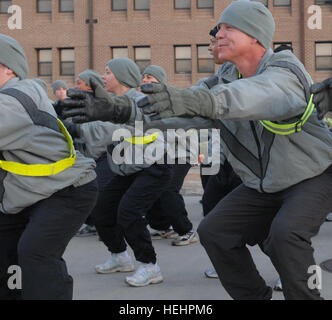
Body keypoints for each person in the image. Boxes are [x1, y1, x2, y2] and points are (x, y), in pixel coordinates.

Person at [60, 2, 332, 299]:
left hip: (312, 176)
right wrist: (117, 109)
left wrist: (196, 102)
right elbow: (180, 110)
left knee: (285, 235)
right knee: (215, 231)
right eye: (220, 28)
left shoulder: (285, 70)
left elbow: (256, 95)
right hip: (264, 184)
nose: (219, 34)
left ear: (255, 36)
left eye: (230, 27)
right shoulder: (224, 78)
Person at [0, 34, 98, 300]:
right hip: (27, 192)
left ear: (7, 66)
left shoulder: (15, 98)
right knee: (7, 253)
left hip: (68, 189)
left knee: (35, 252)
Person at [61, 58, 173, 287]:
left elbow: (110, 130)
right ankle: (120, 256)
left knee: (128, 212)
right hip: (127, 167)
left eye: (108, 72)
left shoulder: (138, 102)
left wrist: (74, 129)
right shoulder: (109, 102)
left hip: (154, 166)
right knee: (101, 209)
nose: (103, 77)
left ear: (122, 76)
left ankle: (150, 266)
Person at [142, 65, 198, 246]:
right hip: (161, 153)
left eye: (150, 77)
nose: (145, 80)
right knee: (151, 187)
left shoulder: (170, 100)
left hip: (181, 152)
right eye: (144, 78)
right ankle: (162, 226)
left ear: (160, 81)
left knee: (168, 189)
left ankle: (186, 230)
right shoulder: (145, 103)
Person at [72, 69, 114, 237]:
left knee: (98, 192)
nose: (75, 86)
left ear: (90, 86)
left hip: (103, 156)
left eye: (78, 83)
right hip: (86, 157)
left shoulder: (101, 104)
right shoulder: (79, 103)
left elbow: (101, 132)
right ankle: (92, 223)